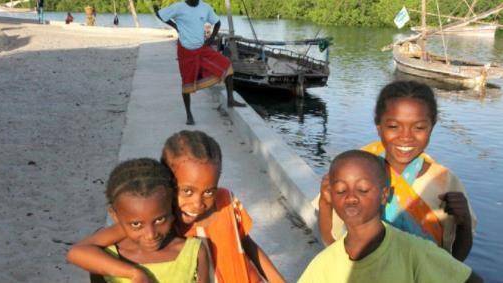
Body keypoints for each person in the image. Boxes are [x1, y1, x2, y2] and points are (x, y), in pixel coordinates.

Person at [68, 130, 285, 283]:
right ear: (168, 185)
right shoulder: (159, 220)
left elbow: (246, 243)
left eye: (208, 190)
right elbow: (82, 250)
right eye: (187, 191)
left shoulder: (225, 201)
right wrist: (133, 273)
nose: (198, 203)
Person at [317, 81, 476, 261]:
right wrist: (325, 202)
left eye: (419, 127)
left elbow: (455, 260)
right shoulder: (357, 172)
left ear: (432, 127)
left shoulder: (445, 181)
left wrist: (464, 222)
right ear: (379, 127)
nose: (406, 137)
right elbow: (331, 242)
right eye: (393, 126)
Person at [299, 150, 482, 283]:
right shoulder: (324, 263)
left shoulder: (414, 251)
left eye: (362, 189)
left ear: (384, 195)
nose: (351, 197)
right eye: (340, 190)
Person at [66, 158, 209, 283]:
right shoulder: (107, 256)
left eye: (159, 220)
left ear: (171, 208)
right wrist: (135, 274)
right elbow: (75, 253)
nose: (151, 234)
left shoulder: (193, 253)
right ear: (115, 216)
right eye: (136, 224)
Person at [154, 0, 246, 125]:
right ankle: (189, 115)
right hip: (185, 51)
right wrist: (176, 26)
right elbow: (160, 14)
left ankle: (230, 99)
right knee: (186, 82)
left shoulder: (205, 7)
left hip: (202, 48)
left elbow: (217, 22)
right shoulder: (178, 7)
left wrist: (211, 38)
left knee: (227, 66)